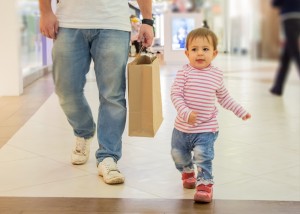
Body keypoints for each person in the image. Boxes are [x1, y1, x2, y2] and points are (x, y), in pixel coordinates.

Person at [38, 0, 154, 184]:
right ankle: (84, 131)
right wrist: (45, 11)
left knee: (112, 95)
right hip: (68, 22)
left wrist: (147, 20)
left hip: (113, 22)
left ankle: (108, 156)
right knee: (66, 90)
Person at [170, 28, 251, 203]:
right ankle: (187, 172)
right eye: (194, 49)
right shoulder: (184, 73)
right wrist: (185, 113)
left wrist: (240, 110)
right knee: (178, 154)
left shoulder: (216, 75)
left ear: (214, 53)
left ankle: (205, 184)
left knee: (203, 156)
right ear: (187, 53)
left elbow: (224, 98)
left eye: (205, 49)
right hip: (182, 128)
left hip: (206, 128)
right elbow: (175, 95)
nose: (200, 53)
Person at [270, 0, 300, 96]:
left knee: (295, 53)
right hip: (298, 18)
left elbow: (276, 3)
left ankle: (277, 87)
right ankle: (277, 87)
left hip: (289, 18)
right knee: (286, 55)